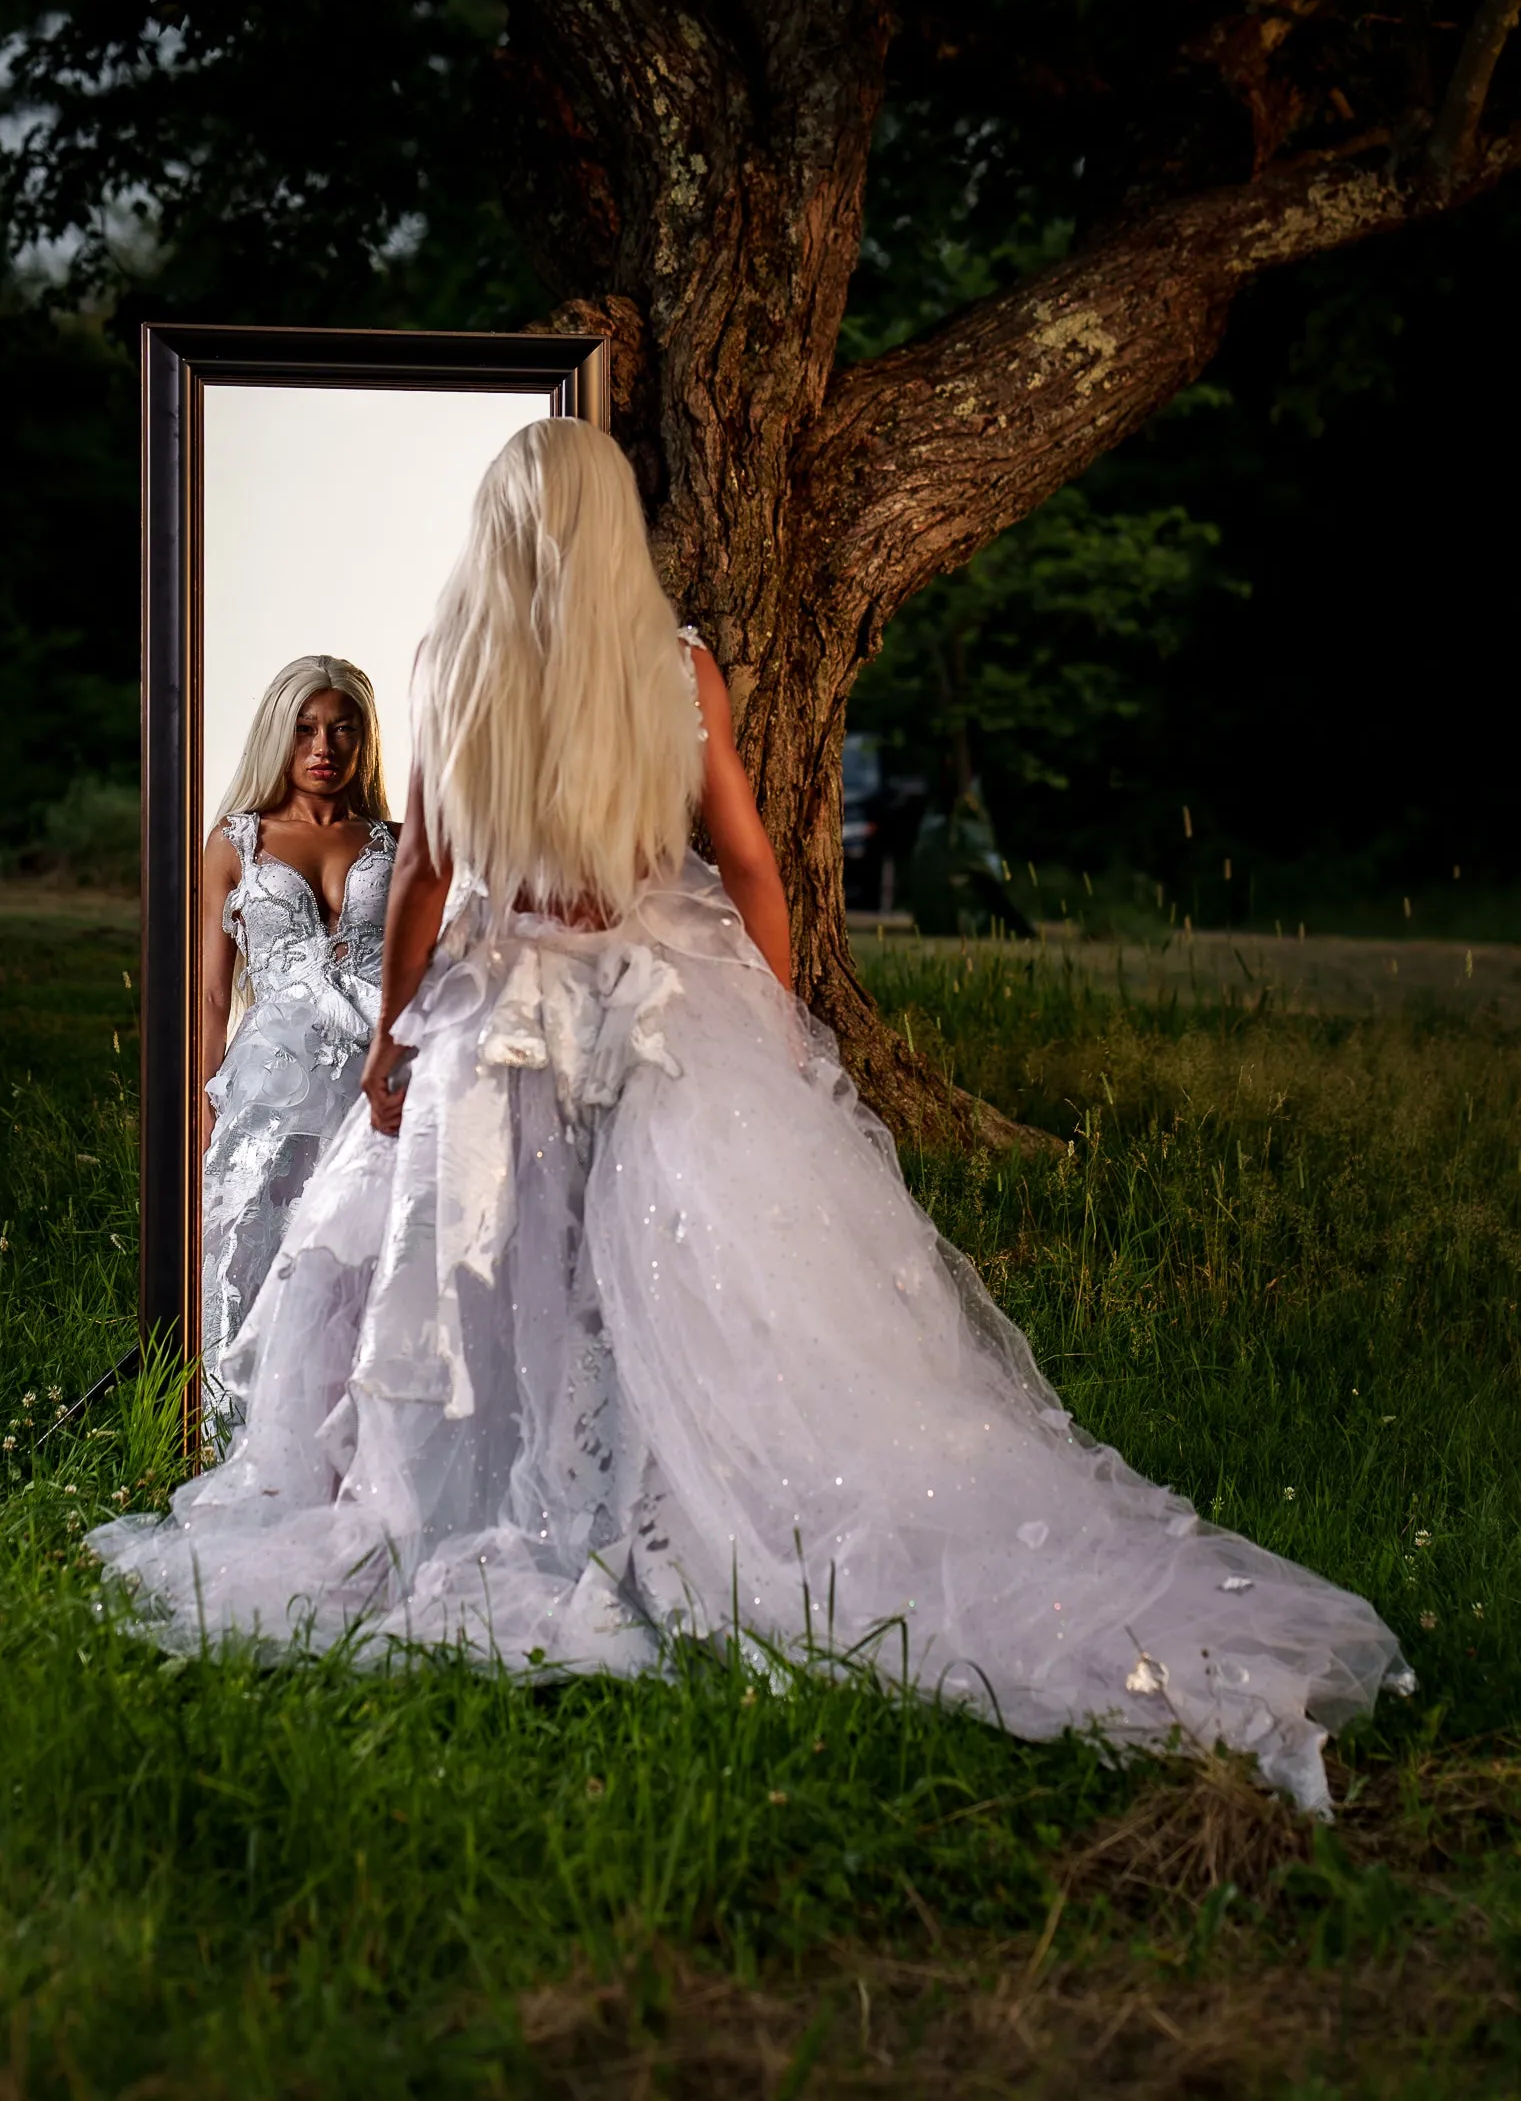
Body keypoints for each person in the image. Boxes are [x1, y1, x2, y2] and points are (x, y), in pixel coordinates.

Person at [94, 424, 1408, 1812]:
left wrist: (389, 1038)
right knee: (679, 1272)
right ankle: (655, 1503)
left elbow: (423, 875)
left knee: (506, 1269)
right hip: (663, 991)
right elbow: (752, 857)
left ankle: (512, 1495)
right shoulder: (678, 668)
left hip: (505, 1006)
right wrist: (776, 1020)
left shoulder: (457, 664)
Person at [197, 655, 397, 1394]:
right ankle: (244, 1431)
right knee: (258, 1244)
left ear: (363, 740)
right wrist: (202, 1100)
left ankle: (354, 1437)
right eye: (306, 729)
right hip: (271, 1080)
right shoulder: (235, 843)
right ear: (279, 735)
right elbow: (212, 994)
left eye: (343, 729)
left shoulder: (393, 842)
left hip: (375, 1074)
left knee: (365, 1251)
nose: (324, 747)